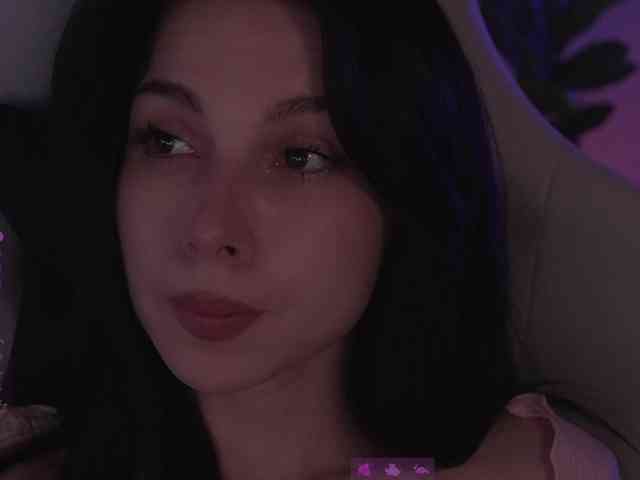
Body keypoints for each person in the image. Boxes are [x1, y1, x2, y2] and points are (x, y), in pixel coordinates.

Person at [0, 0, 626, 479]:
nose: (210, 230)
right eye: (167, 141)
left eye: (300, 157)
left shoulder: (512, 467)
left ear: (404, 189)